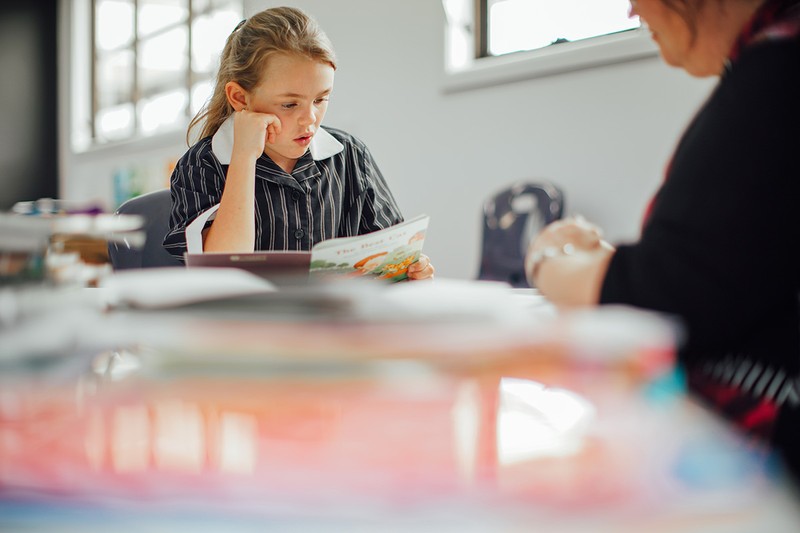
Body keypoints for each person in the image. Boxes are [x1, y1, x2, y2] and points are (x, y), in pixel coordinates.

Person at [526, 0, 800, 478]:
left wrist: (546, 257)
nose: (631, 11)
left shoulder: (777, 73)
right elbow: (729, 270)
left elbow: (662, 298)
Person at [163, 6, 434, 281]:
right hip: (244, 322)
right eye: (290, 104)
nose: (309, 119)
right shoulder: (202, 164)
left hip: (333, 321)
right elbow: (220, 272)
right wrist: (244, 156)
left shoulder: (351, 155)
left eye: (320, 99)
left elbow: (391, 258)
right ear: (240, 98)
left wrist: (410, 268)